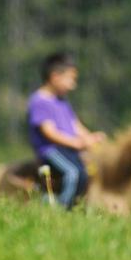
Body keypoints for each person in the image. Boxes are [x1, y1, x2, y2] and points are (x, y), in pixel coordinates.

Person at [27, 52, 104, 208]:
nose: (73, 85)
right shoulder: (40, 101)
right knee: (73, 173)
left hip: (68, 149)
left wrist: (90, 137)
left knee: (90, 171)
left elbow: (75, 124)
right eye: (71, 79)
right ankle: (62, 209)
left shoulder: (62, 102)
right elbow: (49, 132)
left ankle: (82, 206)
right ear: (55, 77)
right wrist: (76, 143)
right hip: (52, 150)